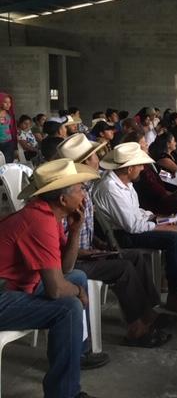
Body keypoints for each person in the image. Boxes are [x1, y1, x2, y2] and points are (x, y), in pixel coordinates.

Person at [0, 158, 103, 398]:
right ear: (63, 199)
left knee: (77, 277)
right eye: (79, 189)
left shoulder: (49, 214)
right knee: (68, 308)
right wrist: (78, 294)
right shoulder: (39, 220)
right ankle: (64, 393)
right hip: (4, 292)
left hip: (15, 287)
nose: (84, 194)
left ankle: (75, 354)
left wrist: (75, 231)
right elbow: (56, 289)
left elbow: (66, 269)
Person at [57, 133, 171, 348]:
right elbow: (60, 244)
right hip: (73, 262)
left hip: (86, 252)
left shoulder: (84, 189)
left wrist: (98, 244)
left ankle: (148, 314)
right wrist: (84, 252)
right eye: (93, 157)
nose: (97, 161)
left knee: (136, 257)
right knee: (123, 268)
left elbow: (84, 229)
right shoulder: (68, 196)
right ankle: (135, 329)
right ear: (82, 163)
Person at [93, 142, 177, 314]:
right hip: (122, 235)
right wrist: (163, 227)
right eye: (140, 165)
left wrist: (156, 217)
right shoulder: (110, 189)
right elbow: (132, 226)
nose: (143, 168)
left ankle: (174, 273)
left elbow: (136, 211)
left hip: (132, 226)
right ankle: (176, 294)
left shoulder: (124, 182)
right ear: (129, 168)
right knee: (175, 238)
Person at [121, 131, 177, 216]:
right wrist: (174, 192)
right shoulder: (163, 158)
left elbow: (160, 175)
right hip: (156, 205)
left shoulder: (172, 154)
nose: (147, 144)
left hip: (165, 191)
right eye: (143, 142)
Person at [0, 92, 17, 163]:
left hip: (8, 142)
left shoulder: (9, 113)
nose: (8, 104)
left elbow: (12, 128)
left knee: (8, 163)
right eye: (5, 102)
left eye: (9, 102)